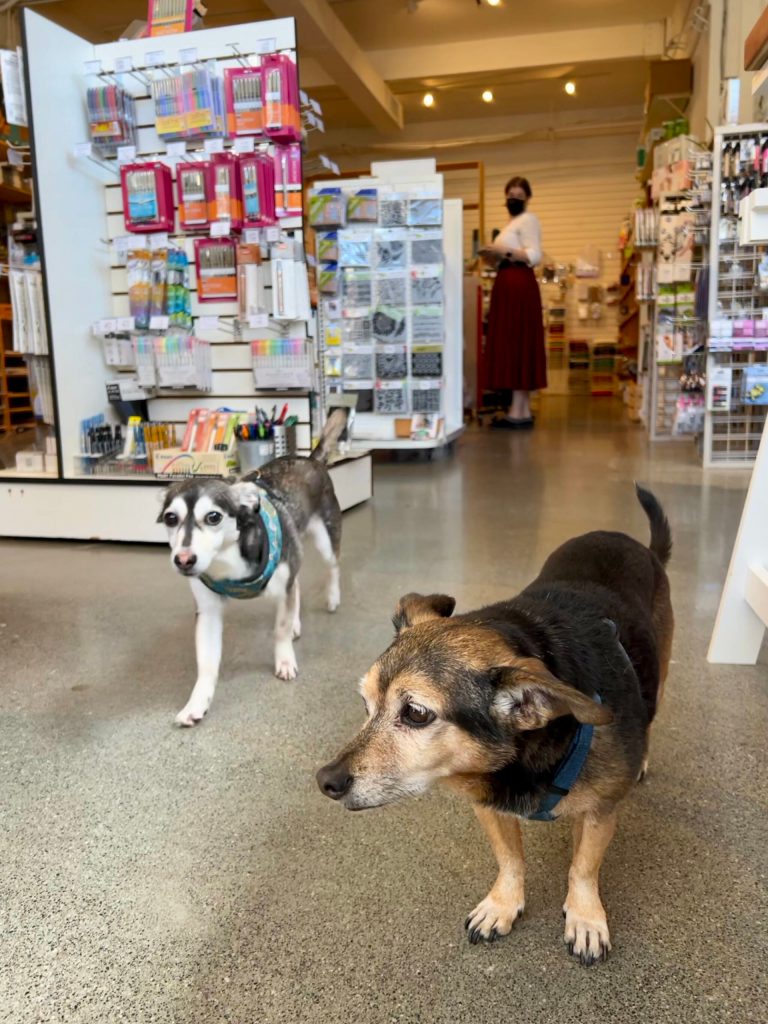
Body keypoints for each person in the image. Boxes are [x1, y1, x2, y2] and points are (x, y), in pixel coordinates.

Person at [480, 176, 547, 429]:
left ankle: (518, 412)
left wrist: (502, 252)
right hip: (509, 282)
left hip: (518, 284)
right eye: (510, 196)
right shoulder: (512, 224)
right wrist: (493, 256)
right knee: (514, 342)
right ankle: (520, 411)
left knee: (519, 342)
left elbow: (534, 255)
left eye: (519, 196)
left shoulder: (528, 220)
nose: (514, 200)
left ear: (528, 198)